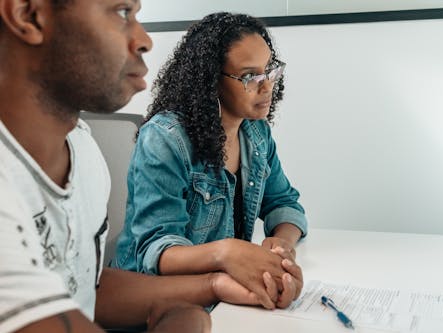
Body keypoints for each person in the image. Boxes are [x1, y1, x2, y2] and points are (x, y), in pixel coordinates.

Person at [0, 2, 298, 332]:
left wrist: (212, 287)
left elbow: (86, 286)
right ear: (28, 14)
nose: (146, 39)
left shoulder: (81, 150)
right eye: (123, 11)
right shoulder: (166, 136)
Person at [112, 12, 308, 310]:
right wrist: (226, 253)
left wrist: (282, 245)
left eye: (269, 70)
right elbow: (154, 250)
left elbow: (284, 204)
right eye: (249, 76)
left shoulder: (256, 133)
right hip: (152, 303)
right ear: (211, 81)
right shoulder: (165, 139)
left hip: (220, 296)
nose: (266, 86)